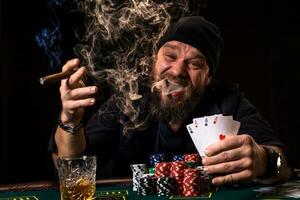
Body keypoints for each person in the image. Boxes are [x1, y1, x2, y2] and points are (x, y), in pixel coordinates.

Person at [49, 16, 292, 185]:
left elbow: (283, 164)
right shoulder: (129, 101)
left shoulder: (229, 101)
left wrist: (265, 160)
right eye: (170, 56)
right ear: (154, 62)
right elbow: (71, 169)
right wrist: (70, 118)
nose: (177, 71)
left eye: (194, 64)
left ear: (208, 78)